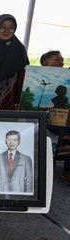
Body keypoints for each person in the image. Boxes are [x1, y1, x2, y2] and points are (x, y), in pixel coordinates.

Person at [40, 50, 70, 184]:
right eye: (57, 59)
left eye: (62, 60)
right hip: (44, 117)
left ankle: (67, 169)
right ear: (45, 62)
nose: (61, 62)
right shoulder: (33, 76)